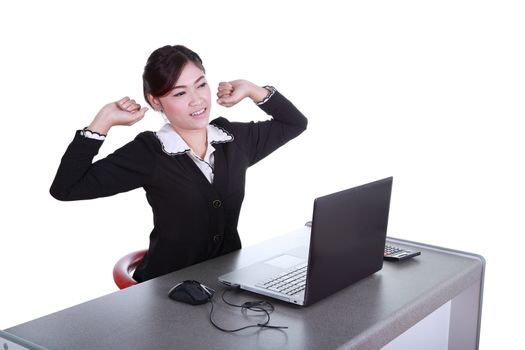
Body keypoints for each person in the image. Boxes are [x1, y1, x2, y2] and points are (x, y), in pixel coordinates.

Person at [50, 45, 308, 282]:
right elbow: (66, 188)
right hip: (168, 291)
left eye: (201, 85)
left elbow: (294, 123)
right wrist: (103, 121)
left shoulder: (233, 139)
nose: (197, 100)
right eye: (180, 92)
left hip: (228, 285)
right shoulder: (150, 152)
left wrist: (252, 89)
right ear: (155, 101)